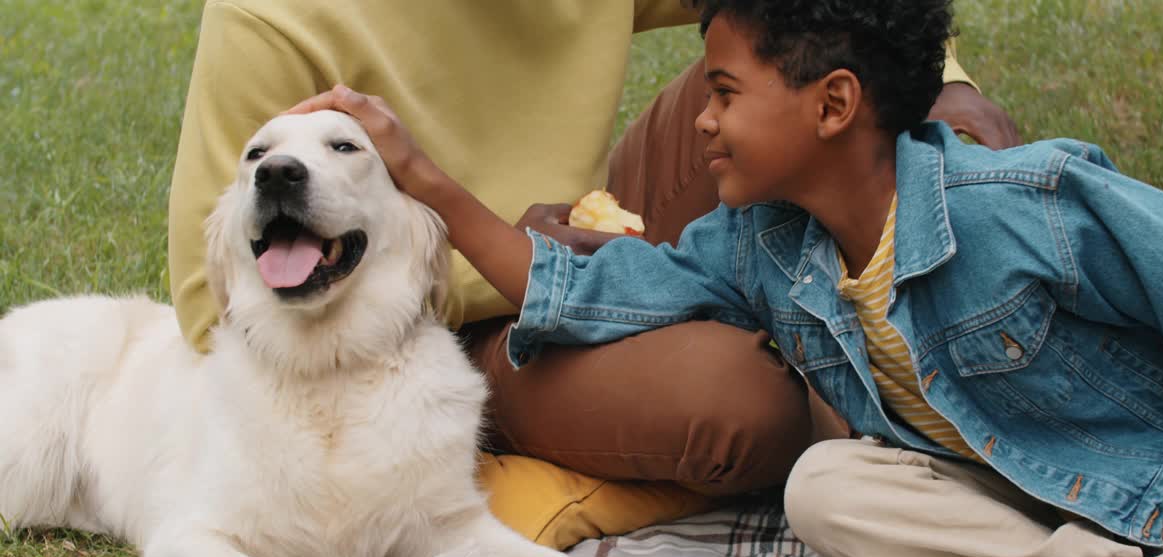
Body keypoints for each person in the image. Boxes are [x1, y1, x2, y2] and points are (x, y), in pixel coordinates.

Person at [287, 0, 1163, 557]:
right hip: (1017, 507)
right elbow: (588, 291)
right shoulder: (764, 246)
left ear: (832, 105)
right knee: (826, 489)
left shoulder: (1033, 201)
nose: (701, 119)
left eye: (722, 91)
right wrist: (418, 176)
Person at [168, 0, 1018, 494]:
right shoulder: (268, 15)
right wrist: (484, 258)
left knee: (773, 74)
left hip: (587, 227)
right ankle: (863, 387)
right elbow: (211, 307)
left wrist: (939, 83)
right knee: (742, 407)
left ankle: (905, 350)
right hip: (437, 326)